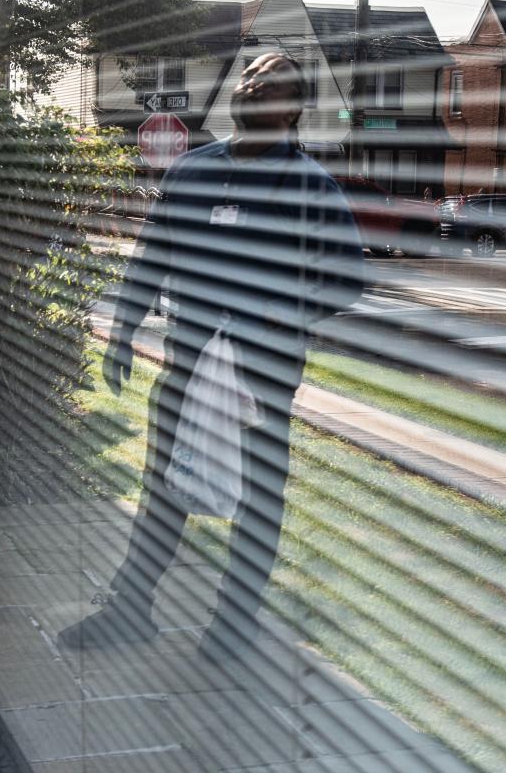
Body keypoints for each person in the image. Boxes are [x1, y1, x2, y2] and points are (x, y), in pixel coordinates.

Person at [57, 53, 365, 663]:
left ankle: (234, 621)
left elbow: (347, 278)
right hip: (187, 360)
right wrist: (123, 330)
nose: (253, 87)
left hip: (264, 372)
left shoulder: (310, 185)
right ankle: (130, 608)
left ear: (294, 107)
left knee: (257, 494)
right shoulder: (192, 170)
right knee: (163, 484)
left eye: (270, 83)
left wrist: (287, 311)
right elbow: (152, 256)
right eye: (250, 77)